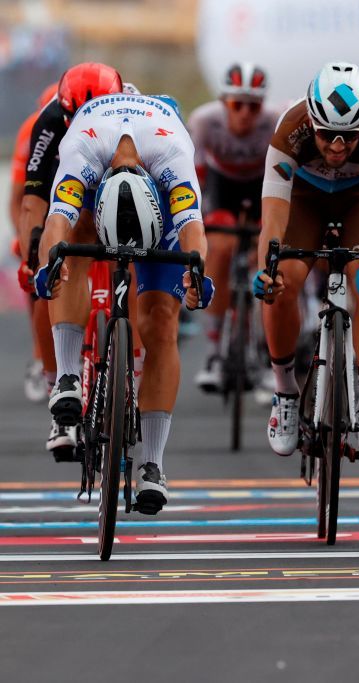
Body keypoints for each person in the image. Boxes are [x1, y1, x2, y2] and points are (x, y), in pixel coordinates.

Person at [32, 91, 213, 513]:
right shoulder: (82, 148)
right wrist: (50, 266)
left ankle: (153, 463)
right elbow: (56, 218)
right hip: (96, 187)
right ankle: (68, 376)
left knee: (161, 322)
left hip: (160, 212)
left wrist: (197, 274)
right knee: (67, 250)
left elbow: (191, 227)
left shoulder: (171, 153)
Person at [253, 62, 359, 459]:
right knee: (282, 282)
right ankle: (285, 394)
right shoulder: (289, 130)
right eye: (327, 135)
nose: (336, 146)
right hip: (304, 197)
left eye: (348, 137)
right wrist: (268, 266)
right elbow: (274, 218)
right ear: (312, 121)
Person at [17, 63, 136, 459]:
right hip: (66, 190)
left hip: (122, 185)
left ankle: (133, 366)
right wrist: (33, 255)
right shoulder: (49, 122)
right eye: (74, 118)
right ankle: (61, 386)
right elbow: (32, 200)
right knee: (48, 273)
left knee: (140, 258)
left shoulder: (139, 113)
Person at [188, 62, 277, 392]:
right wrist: (197, 221)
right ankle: (214, 352)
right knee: (220, 251)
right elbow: (193, 180)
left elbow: (284, 181)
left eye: (253, 106)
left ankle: (269, 354)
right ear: (224, 102)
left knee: (267, 260)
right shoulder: (203, 121)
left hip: (261, 189)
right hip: (221, 189)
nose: (245, 114)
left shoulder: (274, 123)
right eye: (236, 104)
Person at [10, 82, 58, 403]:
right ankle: (41, 352)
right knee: (32, 256)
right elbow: (18, 198)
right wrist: (26, 238)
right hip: (44, 197)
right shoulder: (32, 131)